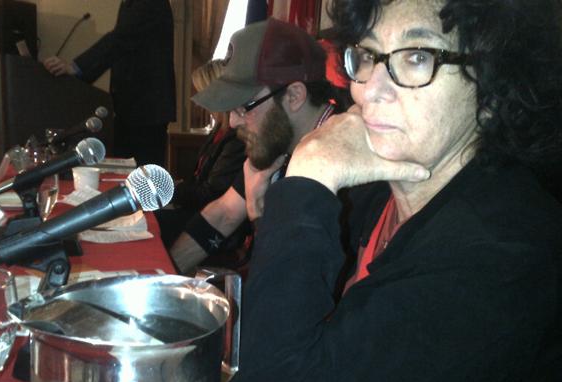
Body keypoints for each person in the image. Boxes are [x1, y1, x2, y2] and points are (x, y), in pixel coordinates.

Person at [227, 0, 562, 382]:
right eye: (368, 56)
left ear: (494, 90)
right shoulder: (377, 192)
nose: (369, 91)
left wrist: (309, 175)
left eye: (417, 56)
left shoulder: (505, 256)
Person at [169, 18, 340, 274]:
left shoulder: (340, 165)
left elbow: (295, 279)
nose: (233, 121)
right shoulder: (278, 139)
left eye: (244, 106)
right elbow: (224, 213)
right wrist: (162, 274)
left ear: (294, 96)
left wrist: (257, 210)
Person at [43, 0, 176, 167]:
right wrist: (76, 74)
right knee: (128, 171)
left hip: (145, 110)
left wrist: (76, 68)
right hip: (134, 108)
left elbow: (120, 38)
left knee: (143, 174)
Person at [156, 60, 246, 249]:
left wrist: (170, 190)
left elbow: (212, 194)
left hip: (214, 225)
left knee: (152, 224)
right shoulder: (220, 130)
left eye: (202, 94)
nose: (200, 103)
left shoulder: (237, 139)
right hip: (199, 211)